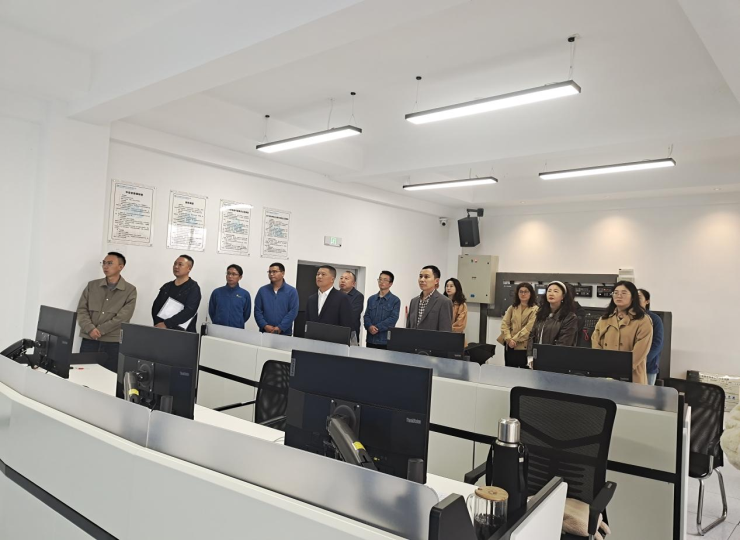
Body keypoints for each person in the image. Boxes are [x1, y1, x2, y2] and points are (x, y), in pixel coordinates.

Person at [76, 252, 137, 372]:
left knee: (109, 377)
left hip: (112, 342)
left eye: (110, 263)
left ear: (120, 267)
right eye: (104, 263)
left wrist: (100, 330)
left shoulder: (130, 290)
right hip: (90, 339)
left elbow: (124, 317)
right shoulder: (92, 286)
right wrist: (90, 329)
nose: (105, 266)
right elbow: (82, 309)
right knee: (83, 375)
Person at [591, 281, 653, 385]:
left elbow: (640, 351)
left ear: (633, 297)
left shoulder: (643, 320)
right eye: (616, 292)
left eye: (624, 293)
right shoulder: (605, 319)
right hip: (605, 374)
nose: (619, 295)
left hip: (632, 375)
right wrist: (602, 365)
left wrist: (620, 370)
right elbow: (595, 341)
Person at [528, 281, 579, 358]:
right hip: (537, 357)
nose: (551, 294)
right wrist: (530, 356)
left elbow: (564, 343)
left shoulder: (570, 317)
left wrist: (549, 358)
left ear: (563, 296)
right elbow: (532, 335)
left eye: (555, 291)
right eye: (549, 291)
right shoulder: (541, 313)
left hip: (556, 359)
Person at [152, 255, 202, 333]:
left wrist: (167, 324)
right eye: (175, 264)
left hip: (183, 333)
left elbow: (189, 311)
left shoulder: (193, 288)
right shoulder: (167, 286)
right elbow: (156, 306)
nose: (176, 267)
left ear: (189, 268)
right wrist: (158, 323)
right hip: (162, 329)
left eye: (180, 264)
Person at [498, 282, 538, 368]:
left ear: (531, 293)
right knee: (510, 371)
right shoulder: (512, 308)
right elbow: (505, 324)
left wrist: (514, 340)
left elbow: (528, 329)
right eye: (521, 291)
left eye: (526, 291)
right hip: (510, 345)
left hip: (524, 346)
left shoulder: (535, 309)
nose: (523, 294)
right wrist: (508, 339)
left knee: (524, 372)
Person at [254, 262, 299, 335]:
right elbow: (257, 311)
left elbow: (293, 312)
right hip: (265, 332)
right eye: (269, 272)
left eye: (274, 271)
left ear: (283, 273)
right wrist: (265, 325)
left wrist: (280, 327)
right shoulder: (262, 290)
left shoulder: (292, 291)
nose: (271, 274)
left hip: (284, 333)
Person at [305, 265, 353, 330]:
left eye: (323, 274)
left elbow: (346, 324)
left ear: (332, 279)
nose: (319, 276)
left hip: (333, 335)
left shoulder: (342, 298)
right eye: (318, 274)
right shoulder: (311, 299)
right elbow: (307, 323)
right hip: (313, 335)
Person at [407, 265, 453, 332]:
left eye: (426, 277)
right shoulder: (414, 301)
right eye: (420, 276)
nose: (422, 280)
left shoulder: (444, 302)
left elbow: (445, 331)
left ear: (436, 281)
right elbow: (408, 328)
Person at [363, 271, 401, 349]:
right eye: (380, 279)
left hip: (384, 341)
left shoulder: (395, 300)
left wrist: (377, 328)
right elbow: (366, 316)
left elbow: (393, 319)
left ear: (390, 284)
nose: (381, 282)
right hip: (370, 340)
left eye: (385, 280)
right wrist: (369, 326)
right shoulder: (371, 299)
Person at [208, 264, 251, 329]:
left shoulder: (244, 294)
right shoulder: (217, 292)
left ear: (240, 277)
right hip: (218, 328)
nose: (230, 276)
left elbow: (246, 314)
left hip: (237, 330)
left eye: (234, 274)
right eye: (228, 273)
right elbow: (212, 311)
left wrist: (238, 322)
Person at [638, 288, 664, 385]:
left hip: (648, 366)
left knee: (645, 393)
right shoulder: (628, 317)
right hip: (629, 365)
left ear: (647, 301)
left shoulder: (655, 319)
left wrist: (641, 361)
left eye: (639, 297)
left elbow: (657, 344)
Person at [339, 271, 364, 341]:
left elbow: (352, 315)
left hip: (351, 333)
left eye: (346, 278)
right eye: (341, 278)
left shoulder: (358, 296)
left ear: (353, 284)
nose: (343, 280)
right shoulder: (335, 295)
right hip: (336, 331)